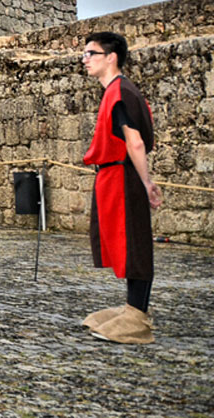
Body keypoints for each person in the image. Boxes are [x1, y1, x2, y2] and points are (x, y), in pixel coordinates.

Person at [78, 32, 162, 344]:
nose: (85, 60)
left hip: (123, 176)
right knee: (122, 242)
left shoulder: (121, 92)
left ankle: (137, 318)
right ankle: (130, 308)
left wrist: (146, 183)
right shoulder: (113, 91)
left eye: (91, 53)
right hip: (112, 176)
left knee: (134, 242)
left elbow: (135, 141)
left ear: (111, 57)